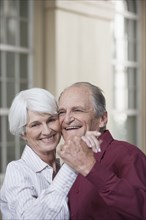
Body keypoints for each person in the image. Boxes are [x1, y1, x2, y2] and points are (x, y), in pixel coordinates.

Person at [57, 82, 146, 220]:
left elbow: (142, 211)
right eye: (62, 112)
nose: (67, 119)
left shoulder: (128, 155)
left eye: (78, 110)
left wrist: (90, 168)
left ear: (102, 119)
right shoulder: (66, 166)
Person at [0, 88, 79, 220]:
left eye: (51, 120)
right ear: (23, 133)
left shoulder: (63, 169)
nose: (47, 131)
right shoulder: (17, 171)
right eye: (36, 125)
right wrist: (70, 166)